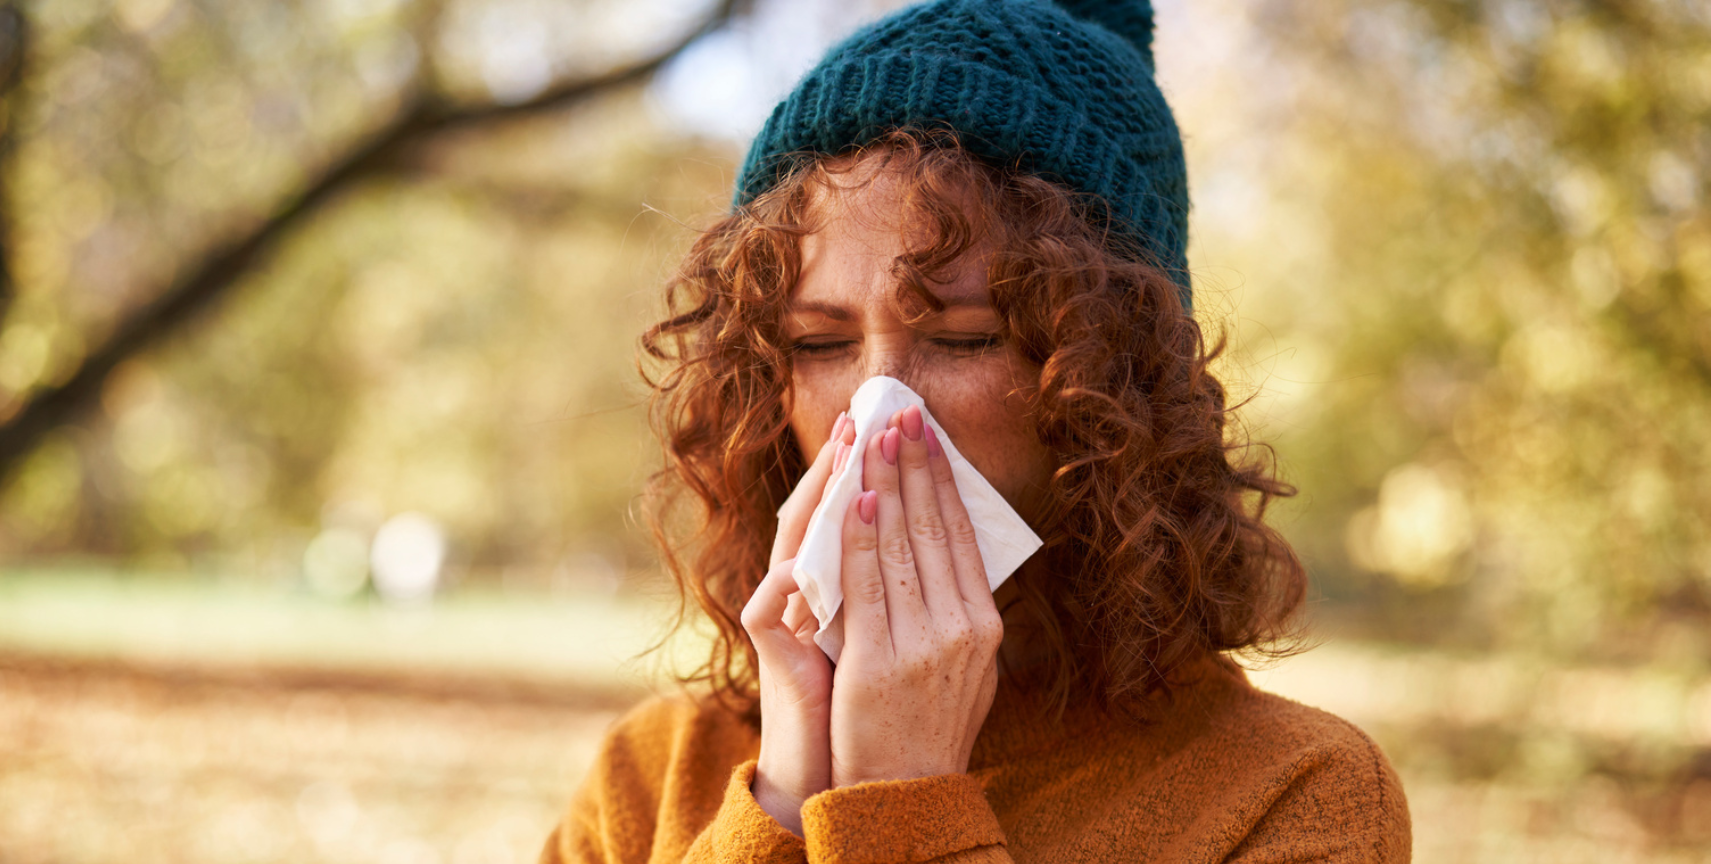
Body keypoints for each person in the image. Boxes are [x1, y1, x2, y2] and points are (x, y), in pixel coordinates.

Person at [542, 0, 1413, 860]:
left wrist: (904, 804)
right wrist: (779, 804)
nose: (877, 407)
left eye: (966, 338)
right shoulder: (650, 779)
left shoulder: (1294, 794)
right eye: (820, 343)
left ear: (1115, 380)